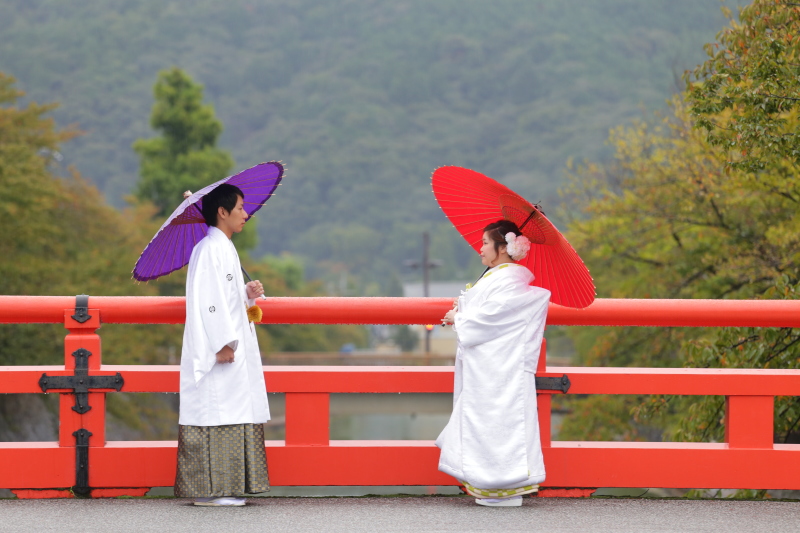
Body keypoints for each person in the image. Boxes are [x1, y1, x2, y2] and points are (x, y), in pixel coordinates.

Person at [436, 219, 550, 508]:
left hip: (498, 368)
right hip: (493, 367)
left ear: (503, 248)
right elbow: (488, 315)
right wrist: (462, 311)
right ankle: (492, 486)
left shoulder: (508, 283)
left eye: (486, 243)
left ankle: (503, 485)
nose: (481, 249)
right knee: (491, 422)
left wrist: (459, 318)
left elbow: (491, 318)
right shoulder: (502, 279)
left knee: (499, 423)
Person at [174, 183, 271, 507]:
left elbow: (225, 296)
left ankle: (221, 489)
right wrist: (223, 343)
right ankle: (211, 491)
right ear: (222, 212)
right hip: (219, 349)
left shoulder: (222, 247)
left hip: (228, 344)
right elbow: (210, 302)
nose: (245, 214)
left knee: (228, 410)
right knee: (217, 411)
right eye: (240, 208)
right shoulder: (210, 249)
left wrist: (247, 293)